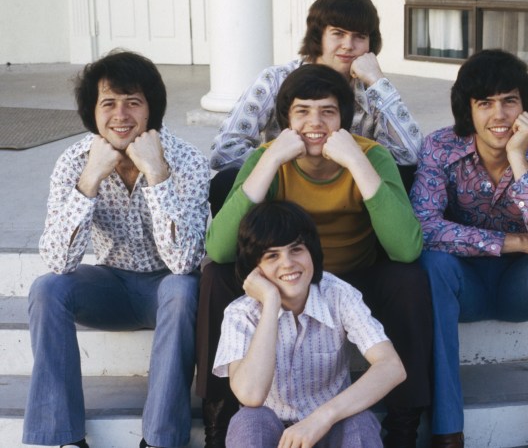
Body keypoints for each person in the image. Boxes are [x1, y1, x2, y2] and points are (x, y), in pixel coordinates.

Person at [196, 64, 433, 448]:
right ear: (286, 120)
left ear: (344, 118)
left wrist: (355, 161)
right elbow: (220, 248)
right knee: (216, 275)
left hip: (354, 281)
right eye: (302, 111)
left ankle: (403, 428)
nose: (315, 122)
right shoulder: (268, 158)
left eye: (327, 111)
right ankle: (219, 421)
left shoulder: (372, 157)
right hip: (290, 279)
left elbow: (406, 248)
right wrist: (271, 159)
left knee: (410, 278)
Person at [22, 50, 211, 448]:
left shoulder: (186, 161)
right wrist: (90, 178)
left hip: (167, 288)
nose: (120, 115)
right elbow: (58, 261)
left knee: (183, 288)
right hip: (111, 285)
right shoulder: (74, 161)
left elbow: (184, 262)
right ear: (93, 112)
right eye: (109, 103)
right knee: (46, 289)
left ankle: (161, 440)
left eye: (133, 103)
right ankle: (63, 437)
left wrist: (157, 174)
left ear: (151, 110)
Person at [410, 49, 528, 448]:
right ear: (468, 109)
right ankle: (447, 430)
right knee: (431, 264)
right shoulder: (439, 148)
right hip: (463, 284)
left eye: (509, 101)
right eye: (485, 103)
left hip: (521, 286)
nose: (499, 115)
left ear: (525, 107)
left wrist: (518, 158)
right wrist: (508, 242)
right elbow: (423, 228)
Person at [207, 0, 422, 215]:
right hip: (283, 201)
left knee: (404, 176)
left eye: (359, 36)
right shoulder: (276, 79)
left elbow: (411, 155)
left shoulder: (374, 91)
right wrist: (286, 168)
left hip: (348, 200)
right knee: (226, 181)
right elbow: (224, 151)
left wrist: (378, 81)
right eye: (338, 33)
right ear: (318, 35)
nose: (348, 45)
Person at [214, 200, 407, 447]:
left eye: (296, 250)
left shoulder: (337, 294)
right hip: (274, 435)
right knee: (249, 420)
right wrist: (271, 302)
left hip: (330, 426)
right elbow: (250, 395)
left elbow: (391, 366)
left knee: (359, 421)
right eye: (272, 255)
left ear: (311, 252)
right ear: (255, 268)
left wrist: (322, 418)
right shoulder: (241, 312)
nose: (288, 263)